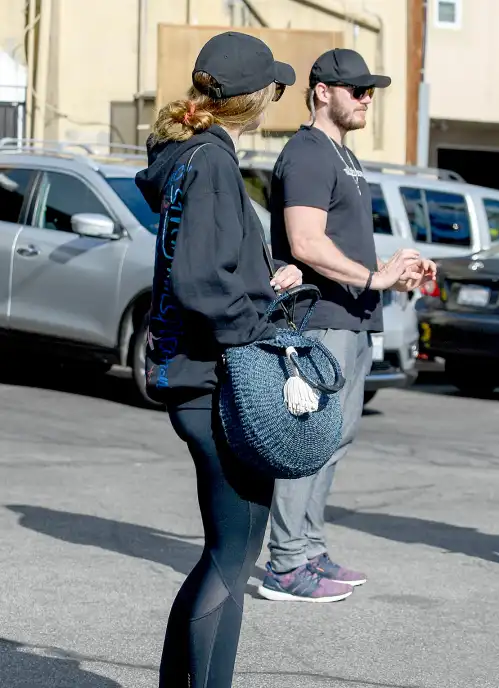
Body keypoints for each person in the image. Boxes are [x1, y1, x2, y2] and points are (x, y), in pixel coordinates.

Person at [135, 31, 299, 687]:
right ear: (254, 99)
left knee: (223, 554)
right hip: (218, 382)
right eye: (274, 88)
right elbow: (201, 281)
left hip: (201, 378)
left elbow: (208, 267)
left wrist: (265, 280)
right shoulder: (211, 164)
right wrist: (259, 331)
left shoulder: (191, 155)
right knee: (233, 556)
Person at [259, 48, 436, 602]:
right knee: (308, 439)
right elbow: (306, 243)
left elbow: (343, 246)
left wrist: (393, 272)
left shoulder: (345, 157)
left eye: (370, 92)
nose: (366, 100)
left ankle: (310, 550)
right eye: (357, 90)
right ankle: (286, 565)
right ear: (322, 92)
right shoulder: (307, 154)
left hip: (353, 319)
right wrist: (374, 278)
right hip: (320, 320)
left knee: (335, 439)